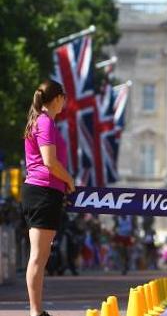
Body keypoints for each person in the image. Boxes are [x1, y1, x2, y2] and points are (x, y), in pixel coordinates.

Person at [21, 80, 75, 316]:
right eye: (64, 97)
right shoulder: (45, 123)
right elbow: (50, 162)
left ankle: (37, 310)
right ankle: (35, 311)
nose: (65, 102)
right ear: (56, 99)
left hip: (39, 190)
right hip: (44, 190)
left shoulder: (40, 121)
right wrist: (69, 180)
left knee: (40, 255)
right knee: (38, 256)